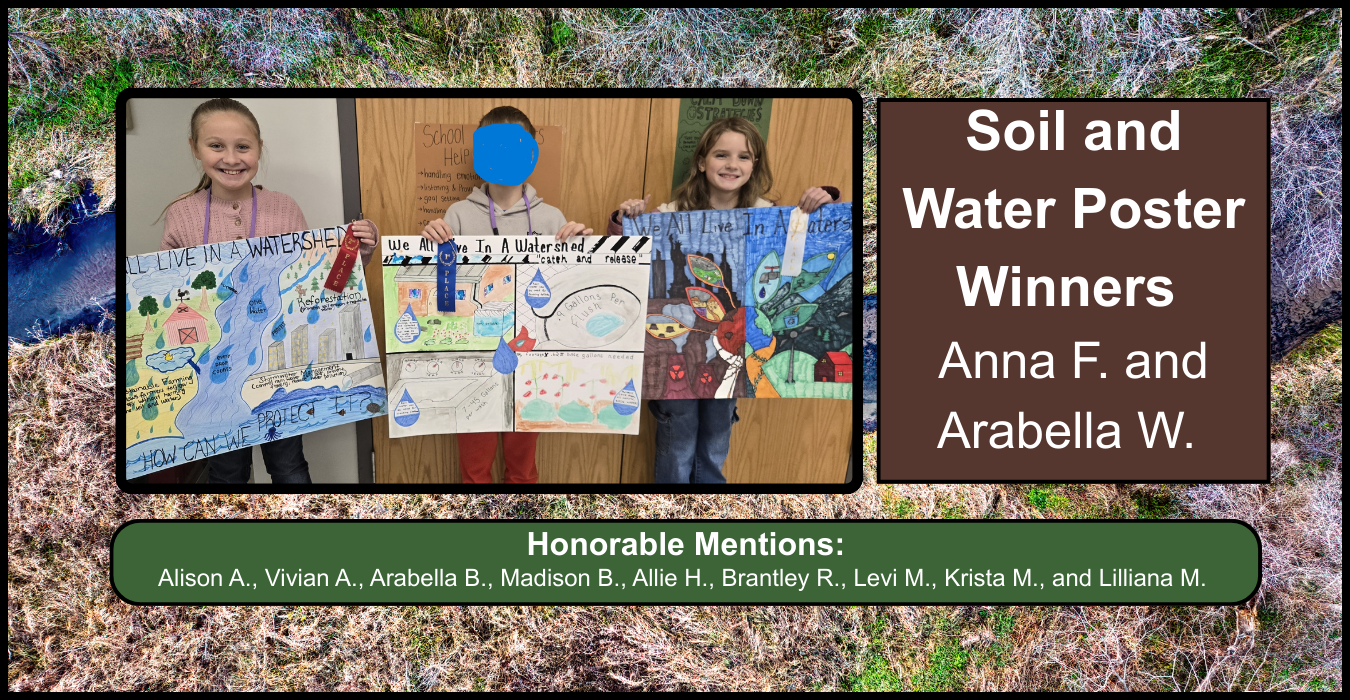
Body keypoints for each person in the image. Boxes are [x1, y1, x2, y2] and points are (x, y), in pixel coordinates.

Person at [159, 97, 381, 484]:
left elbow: (322, 284)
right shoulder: (182, 214)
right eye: (216, 146)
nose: (231, 158)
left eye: (243, 146)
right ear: (195, 148)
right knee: (226, 474)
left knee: (290, 466)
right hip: (216, 376)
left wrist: (359, 249)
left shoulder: (284, 208)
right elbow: (169, 295)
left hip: (280, 371)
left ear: (259, 148)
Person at [608, 116, 840, 484]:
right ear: (702, 161)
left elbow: (809, 250)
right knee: (679, 432)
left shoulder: (768, 216)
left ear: (754, 166)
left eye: (744, 157)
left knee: (717, 433)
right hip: (678, 347)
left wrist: (824, 199)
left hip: (734, 350)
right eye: (721, 155)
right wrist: (626, 221)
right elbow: (626, 258)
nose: (732, 165)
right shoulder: (670, 215)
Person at [418, 105, 592, 484]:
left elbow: (571, 285)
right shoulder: (460, 214)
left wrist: (583, 248)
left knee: (524, 466)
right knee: (474, 467)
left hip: (533, 360)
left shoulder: (552, 219)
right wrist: (430, 240)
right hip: (473, 357)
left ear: (530, 152)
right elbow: (436, 284)